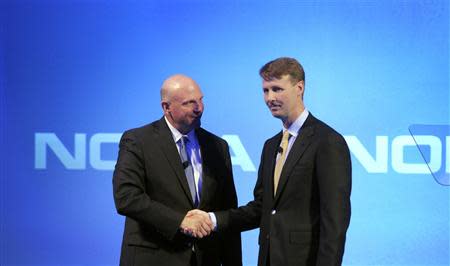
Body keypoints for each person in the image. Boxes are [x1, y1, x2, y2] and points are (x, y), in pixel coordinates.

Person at [189, 57, 352, 266]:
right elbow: (262, 208)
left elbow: (335, 221)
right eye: (265, 90)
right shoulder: (270, 146)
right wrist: (212, 220)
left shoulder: (327, 141)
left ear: (299, 88)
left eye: (277, 89)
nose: (270, 97)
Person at [113, 74, 242, 266]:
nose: (199, 108)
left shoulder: (218, 146)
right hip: (154, 258)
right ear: (166, 108)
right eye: (189, 103)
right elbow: (126, 197)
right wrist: (179, 221)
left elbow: (228, 208)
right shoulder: (138, 140)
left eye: (200, 100)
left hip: (205, 259)